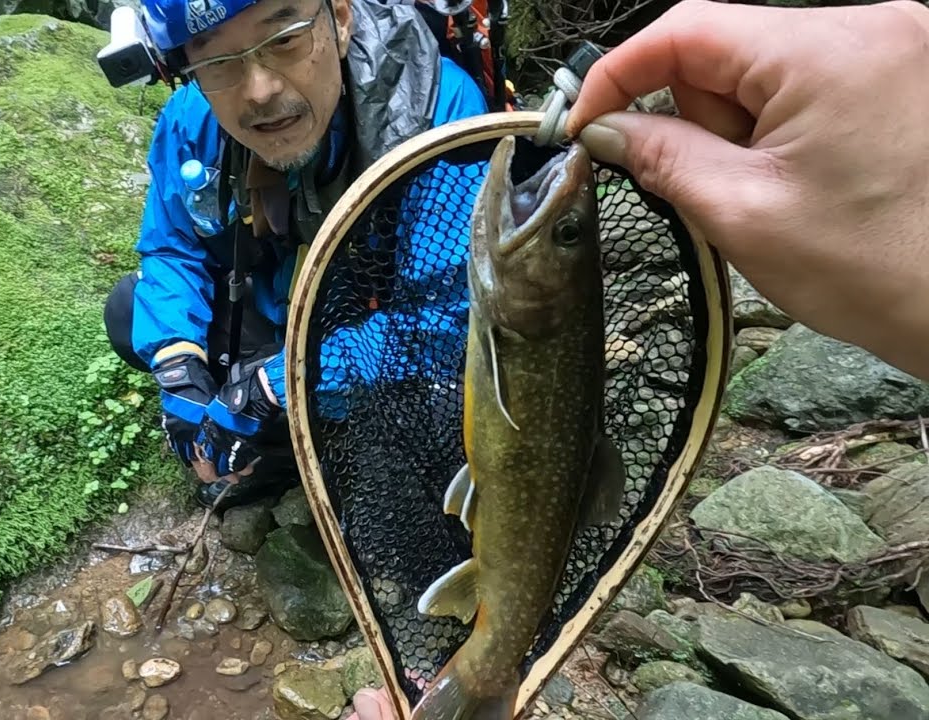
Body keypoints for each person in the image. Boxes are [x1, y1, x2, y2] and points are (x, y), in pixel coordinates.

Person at [347, 0, 929, 717]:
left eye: (567, 236)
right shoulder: (517, 318)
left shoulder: (514, 312)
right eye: (572, 236)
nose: (564, 203)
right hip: (519, 476)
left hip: (512, 484)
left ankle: (482, 674)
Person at [102, 0, 491, 509]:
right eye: (218, 62)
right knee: (130, 310)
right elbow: (174, 247)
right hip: (277, 309)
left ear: (342, 21)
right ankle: (276, 437)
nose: (260, 90)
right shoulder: (190, 120)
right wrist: (179, 364)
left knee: (436, 421)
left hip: (378, 333)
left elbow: (450, 317)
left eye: (284, 39)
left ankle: (298, 435)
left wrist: (280, 383)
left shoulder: (437, 114)